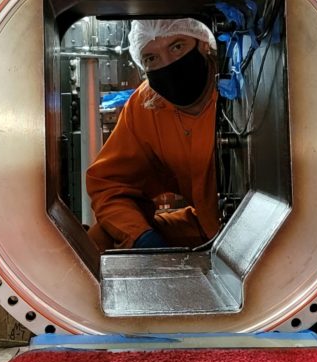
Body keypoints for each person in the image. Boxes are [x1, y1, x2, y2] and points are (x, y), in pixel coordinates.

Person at [86, 17, 219, 252]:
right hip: (206, 226)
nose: (168, 65)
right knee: (101, 239)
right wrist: (140, 237)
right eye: (151, 58)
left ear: (203, 43)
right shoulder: (147, 104)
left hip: (264, 230)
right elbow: (111, 184)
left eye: (177, 47)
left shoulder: (238, 85)